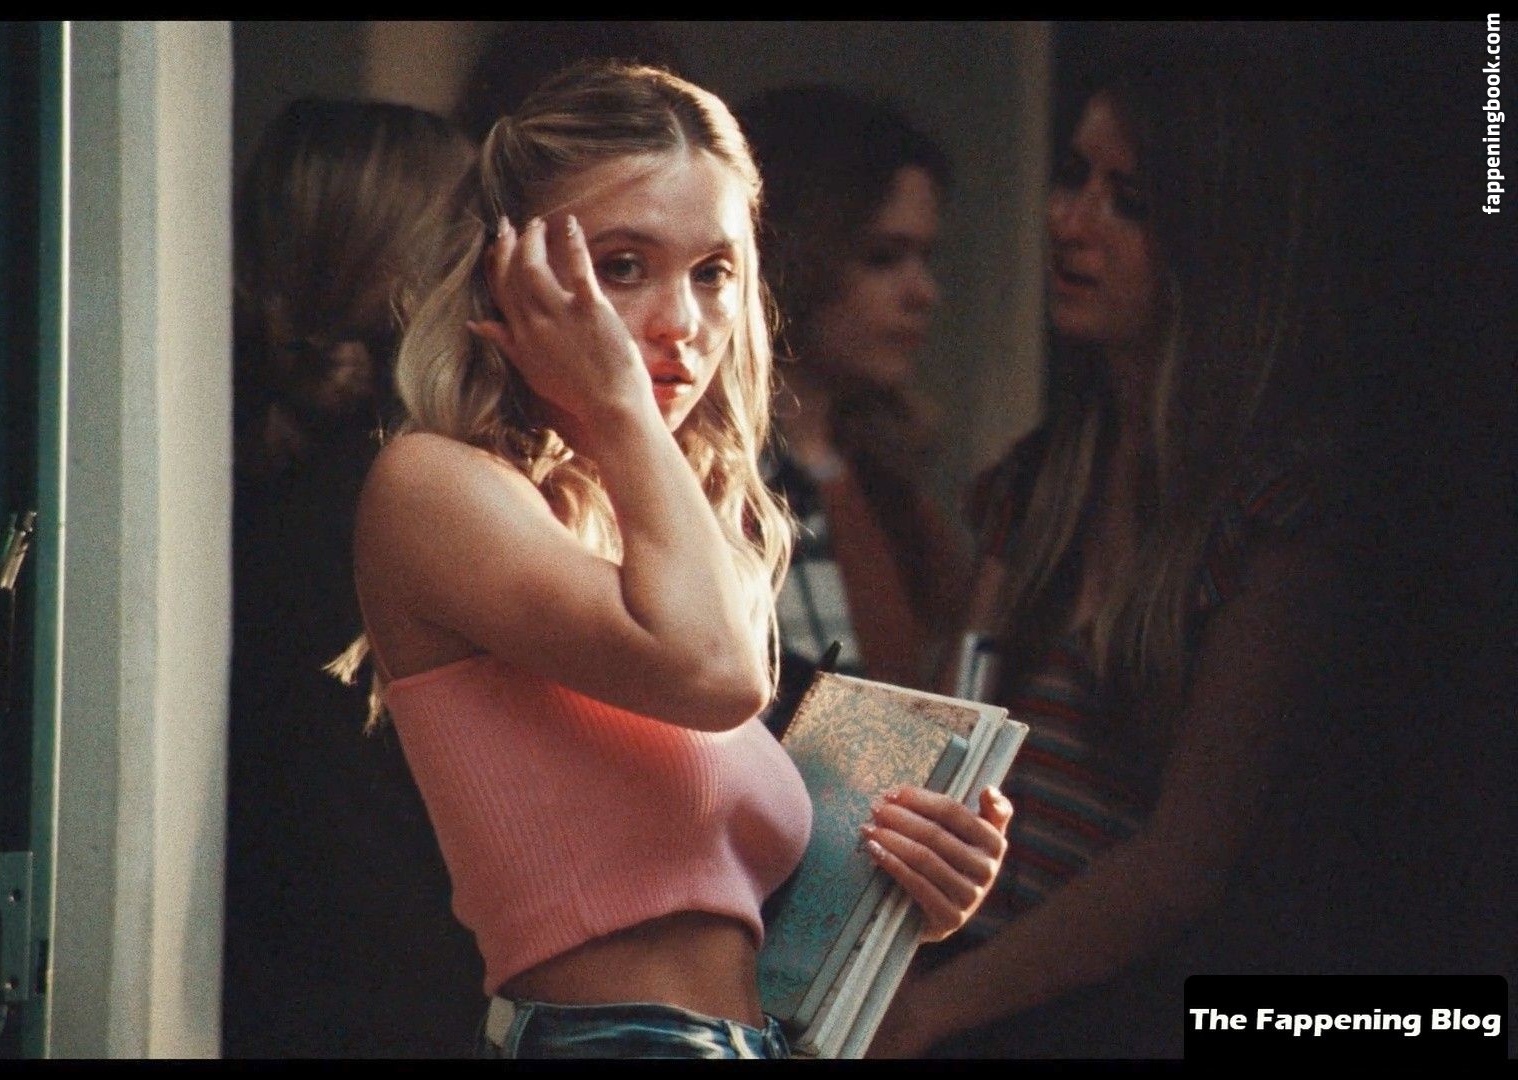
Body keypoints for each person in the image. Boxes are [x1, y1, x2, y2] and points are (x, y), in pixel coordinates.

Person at [328, 61, 1013, 1060]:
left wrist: (907, 890)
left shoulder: (665, 530)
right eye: (622, 267)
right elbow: (714, 672)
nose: (680, 324)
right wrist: (618, 404)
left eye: (713, 273)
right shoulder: (436, 484)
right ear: (508, 274)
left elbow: (703, 907)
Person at [868, 53, 1357, 1057]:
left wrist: (925, 1014)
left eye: (1127, 202)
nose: (1070, 221)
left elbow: (1180, 867)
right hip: (953, 985)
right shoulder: (1039, 481)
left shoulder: (1270, 515)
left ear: (1214, 242)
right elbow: (942, 745)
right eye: (1072, 178)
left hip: (1105, 1018)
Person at [222, 97, 483, 1058]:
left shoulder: (251, 483)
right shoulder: (412, 489)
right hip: (401, 1003)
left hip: (273, 992)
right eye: (478, 233)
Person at [737, 84, 973, 702]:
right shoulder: (723, 476)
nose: (923, 293)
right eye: (882, 258)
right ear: (796, 255)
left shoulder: (895, 490)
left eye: (926, 258)